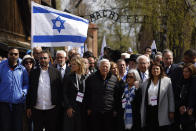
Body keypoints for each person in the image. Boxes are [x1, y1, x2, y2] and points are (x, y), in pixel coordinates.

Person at [26, 51, 62, 131]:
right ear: (38, 59)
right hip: (37, 109)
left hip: (52, 109)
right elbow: (30, 91)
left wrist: (58, 107)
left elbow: (60, 91)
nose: (43, 60)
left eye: (45, 58)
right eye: (41, 58)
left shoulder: (56, 72)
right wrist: (28, 107)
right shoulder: (33, 73)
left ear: (49, 59)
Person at [0, 47, 29, 131]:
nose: (13, 56)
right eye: (11, 54)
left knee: (17, 127)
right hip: (4, 103)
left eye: (15, 54)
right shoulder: (1, 67)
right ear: (8, 54)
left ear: (18, 55)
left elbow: (26, 83)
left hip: (18, 103)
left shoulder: (22, 69)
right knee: (5, 127)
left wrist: (23, 93)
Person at [86, 59, 119, 131]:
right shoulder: (91, 78)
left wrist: (115, 109)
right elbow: (87, 94)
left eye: (106, 67)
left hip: (109, 112)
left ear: (109, 68)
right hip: (95, 111)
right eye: (103, 66)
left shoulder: (114, 79)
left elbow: (116, 96)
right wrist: (88, 108)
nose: (105, 68)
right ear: (99, 67)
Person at [140, 62, 175, 131]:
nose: (155, 70)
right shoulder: (146, 82)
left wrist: (171, 111)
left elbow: (170, 96)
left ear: (161, 70)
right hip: (149, 110)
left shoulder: (167, 80)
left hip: (162, 109)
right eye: (153, 69)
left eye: (157, 69)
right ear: (150, 70)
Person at [63, 56, 87, 131]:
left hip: (81, 109)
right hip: (71, 108)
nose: (71, 66)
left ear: (79, 65)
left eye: (74, 64)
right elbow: (64, 93)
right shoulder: (68, 77)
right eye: (71, 64)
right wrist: (68, 107)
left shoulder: (85, 77)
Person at [179, 63, 196, 131]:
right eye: (183, 71)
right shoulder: (184, 80)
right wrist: (181, 106)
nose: (184, 73)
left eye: (187, 72)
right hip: (184, 111)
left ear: (192, 72)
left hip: (192, 112)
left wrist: (192, 108)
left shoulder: (194, 80)